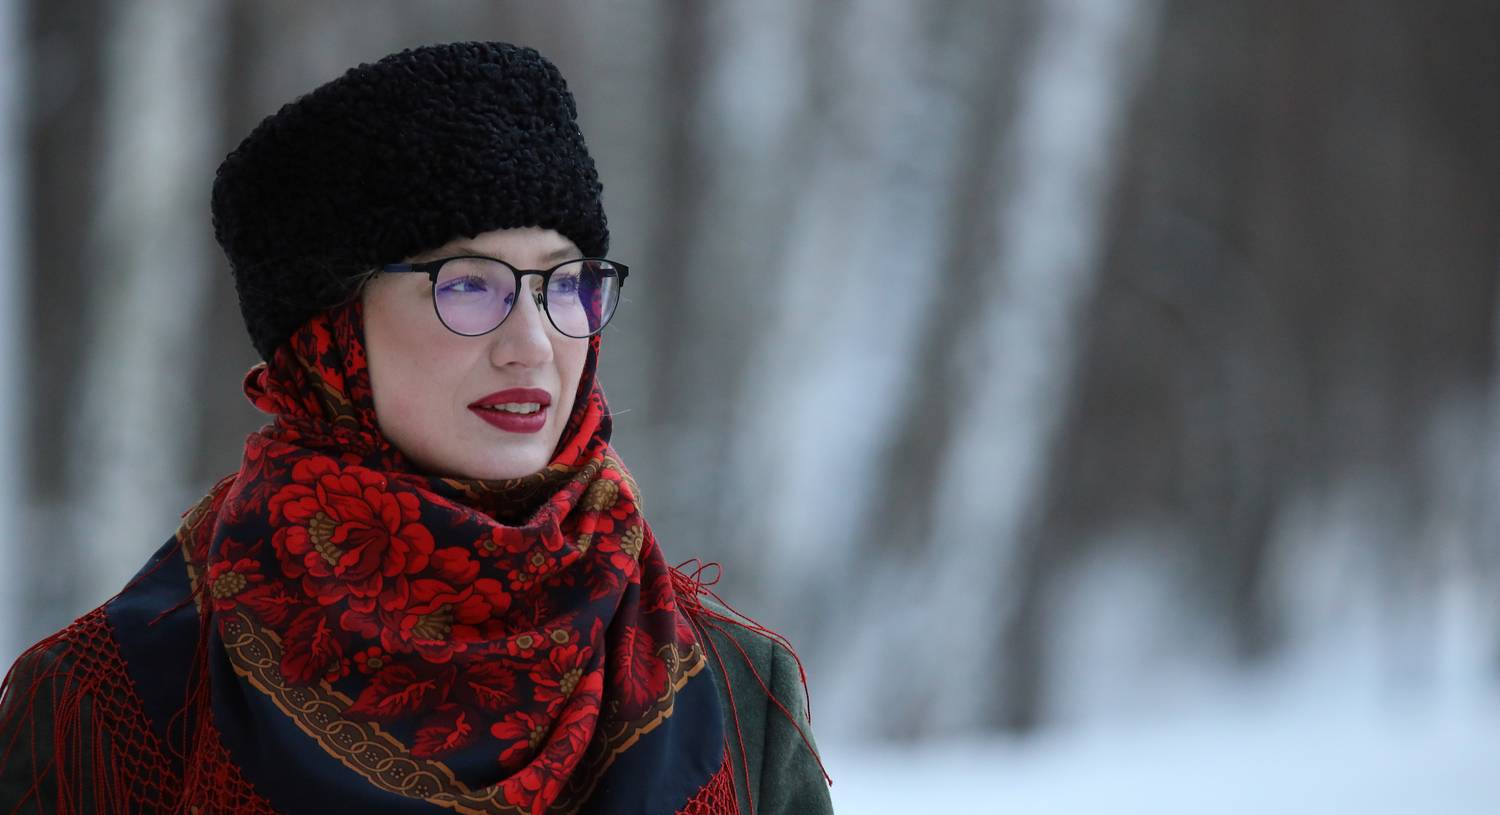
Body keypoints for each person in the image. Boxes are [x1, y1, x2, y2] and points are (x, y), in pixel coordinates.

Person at [0, 41, 832, 814]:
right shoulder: (109, 704)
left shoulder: (735, 696)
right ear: (330, 337)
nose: (532, 344)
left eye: (563, 282)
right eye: (468, 284)